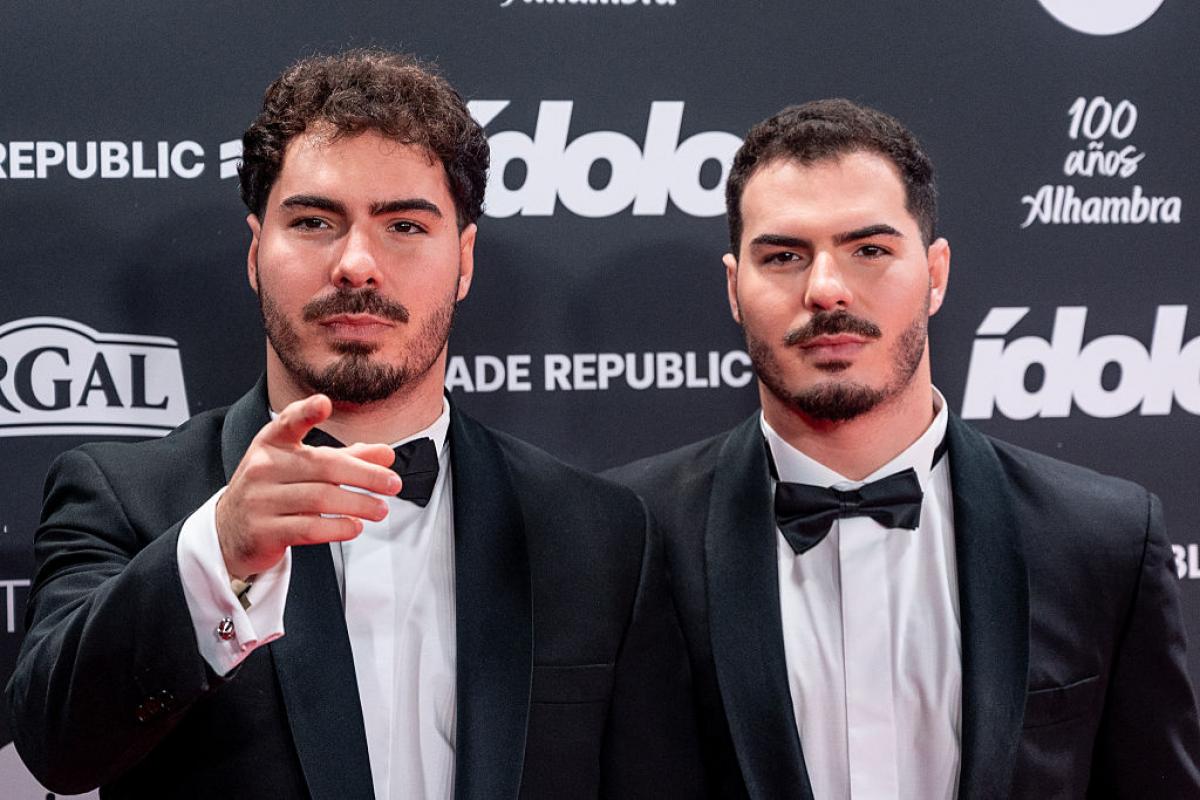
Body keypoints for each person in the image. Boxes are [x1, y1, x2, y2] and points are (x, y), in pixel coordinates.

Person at [6, 49, 700, 800]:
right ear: (255, 254)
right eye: (313, 221)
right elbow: (57, 749)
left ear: (464, 261)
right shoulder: (123, 496)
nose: (357, 264)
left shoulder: (598, 532)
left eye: (404, 224)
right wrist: (219, 552)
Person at [608, 99, 1200, 799]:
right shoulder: (623, 540)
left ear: (936, 273)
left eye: (869, 250)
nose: (826, 289)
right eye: (784, 256)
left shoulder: (1101, 539)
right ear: (735, 288)